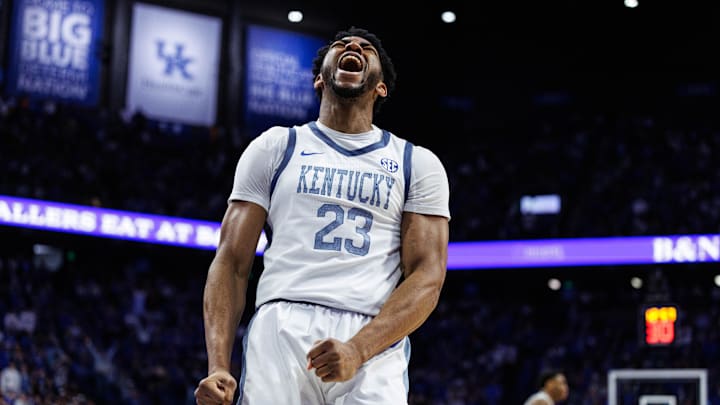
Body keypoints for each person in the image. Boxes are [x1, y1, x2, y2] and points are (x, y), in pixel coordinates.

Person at [194, 26, 450, 405]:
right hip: (282, 324)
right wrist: (218, 365)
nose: (353, 47)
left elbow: (428, 276)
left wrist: (358, 350)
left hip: (371, 331)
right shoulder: (276, 146)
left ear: (381, 87)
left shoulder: (417, 163)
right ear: (319, 79)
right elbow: (231, 262)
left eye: (367, 48)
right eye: (341, 46)